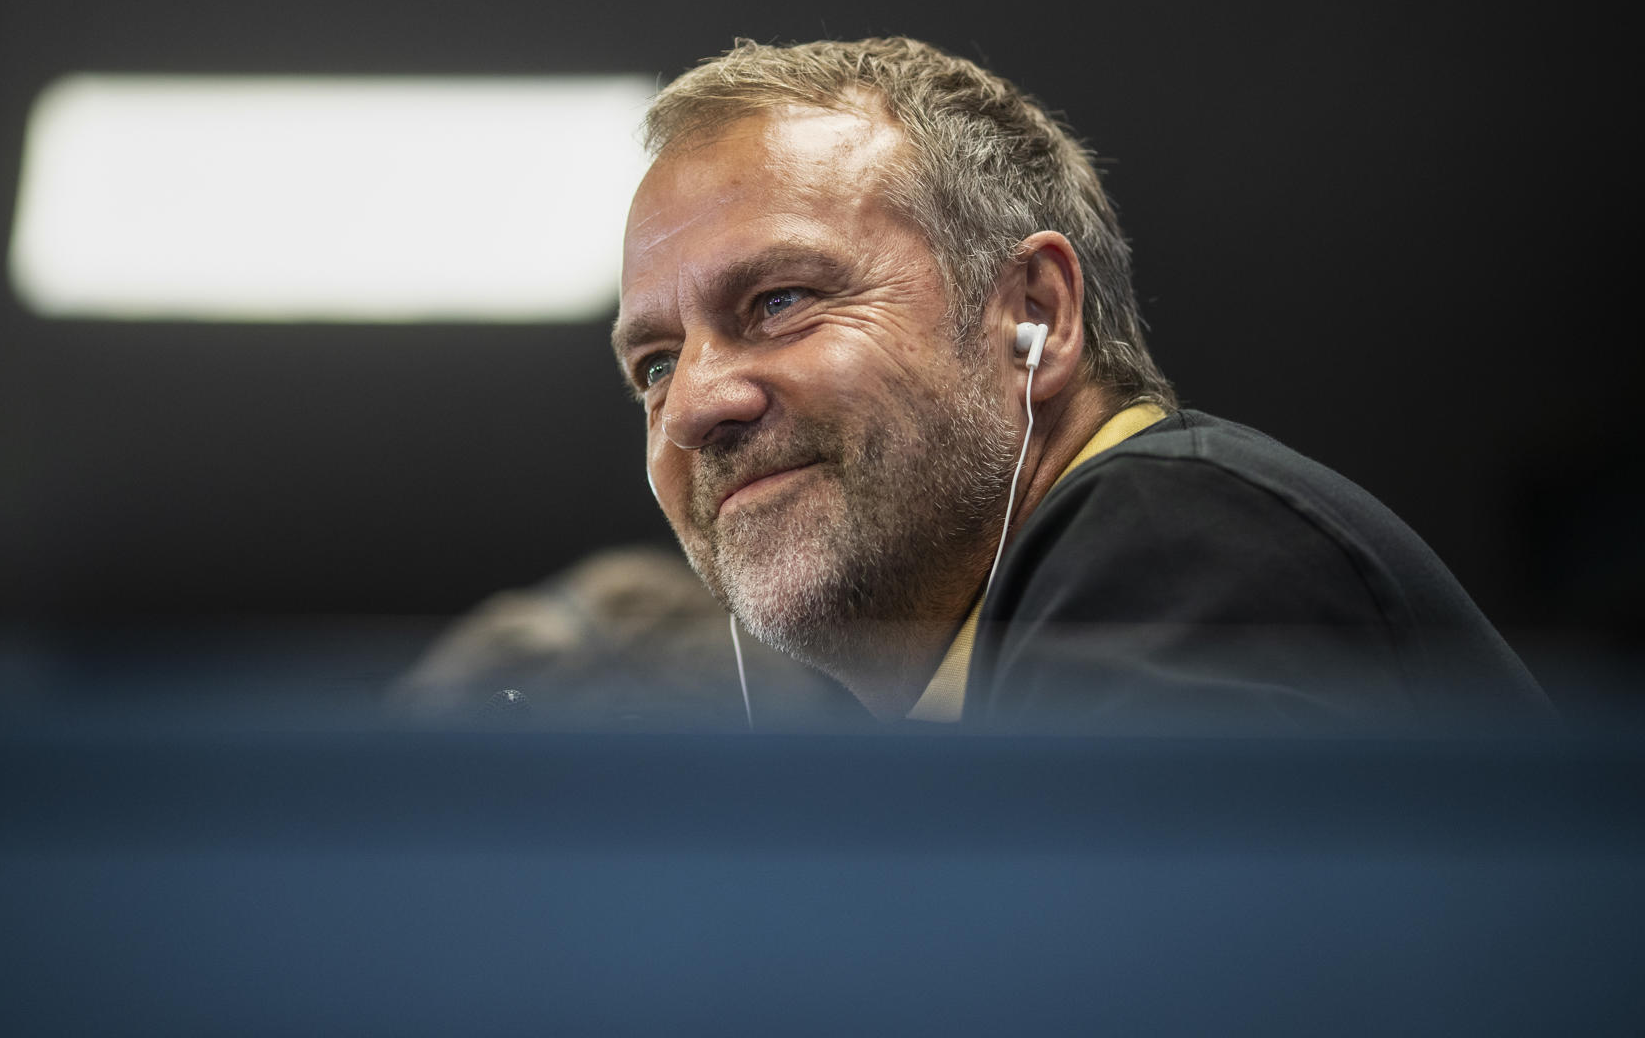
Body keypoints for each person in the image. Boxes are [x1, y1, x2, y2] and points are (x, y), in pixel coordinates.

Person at [611, 37, 1553, 734]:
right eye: (654, 364)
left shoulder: (1167, 540)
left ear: (1037, 315)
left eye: (778, 301)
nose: (693, 407)